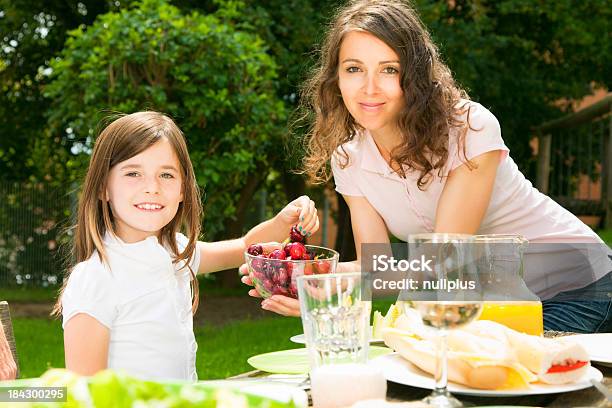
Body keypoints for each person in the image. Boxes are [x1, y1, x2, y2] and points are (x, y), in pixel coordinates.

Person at [241, 0, 612, 333]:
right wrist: (303, 274)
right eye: (354, 69)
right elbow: (379, 272)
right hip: (503, 303)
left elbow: (443, 265)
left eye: (388, 69)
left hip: (581, 285)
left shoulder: (469, 128)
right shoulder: (349, 157)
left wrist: (390, 325)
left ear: (415, 75)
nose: (369, 87)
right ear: (335, 78)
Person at [52, 111, 319, 381]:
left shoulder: (174, 251)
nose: (152, 187)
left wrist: (283, 220)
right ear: (103, 188)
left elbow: (245, 247)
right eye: (133, 173)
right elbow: (84, 391)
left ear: (182, 189)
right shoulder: (94, 279)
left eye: (166, 175)